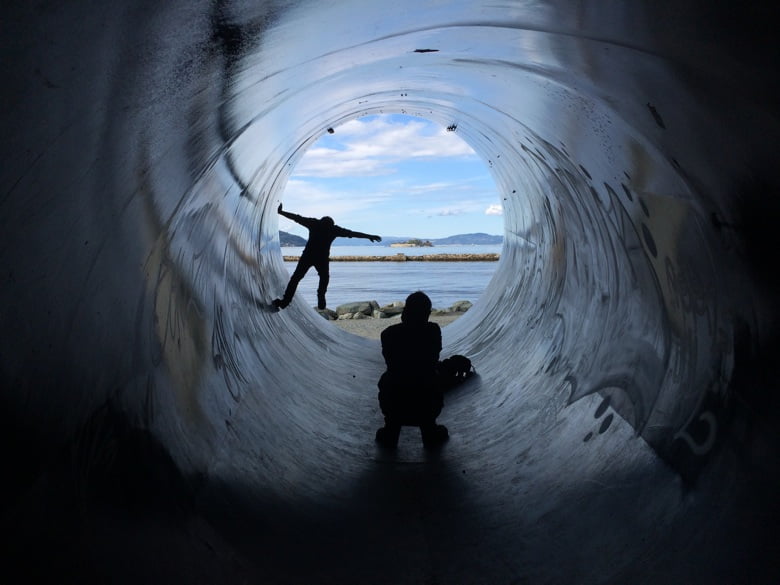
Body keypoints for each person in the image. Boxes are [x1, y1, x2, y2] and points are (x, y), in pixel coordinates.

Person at [375, 291, 449, 448]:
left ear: (405, 312)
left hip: (395, 403)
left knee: (389, 379)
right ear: (427, 314)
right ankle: (429, 430)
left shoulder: (388, 334)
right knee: (430, 378)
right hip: (426, 404)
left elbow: (392, 364)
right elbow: (432, 360)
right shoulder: (433, 331)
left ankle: (391, 429)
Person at [273, 203, 381, 310]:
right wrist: (369, 236)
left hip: (308, 256)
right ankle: (321, 295)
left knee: (295, 279)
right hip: (322, 258)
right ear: (331, 224)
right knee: (324, 277)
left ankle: (285, 302)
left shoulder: (314, 223)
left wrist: (281, 212)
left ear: (321, 221)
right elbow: (353, 234)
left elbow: (297, 218)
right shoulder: (334, 229)